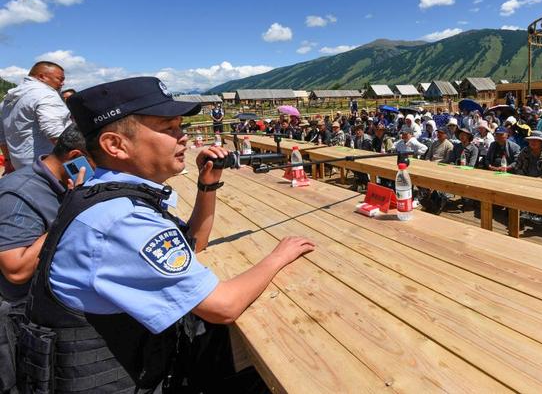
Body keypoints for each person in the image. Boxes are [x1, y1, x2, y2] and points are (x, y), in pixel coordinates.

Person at [19, 77, 316, 392]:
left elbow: (192, 246)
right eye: (168, 128)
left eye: (180, 127)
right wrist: (278, 256)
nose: (183, 138)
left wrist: (207, 184)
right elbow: (223, 307)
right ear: (115, 145)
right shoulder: (123, 220)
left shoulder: (100, 190)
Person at [0, 125, 90, 393]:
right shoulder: (19, 192)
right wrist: (72, 208)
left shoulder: (67, 185)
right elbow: (16, 269)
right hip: (14, 322)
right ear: (76, 157)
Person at [0, 61, 71, 171]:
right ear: (42, 77)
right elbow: (57, 134)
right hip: (46, 168)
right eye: (60, 79)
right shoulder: (46, 95)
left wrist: (8, 160)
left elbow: (2, 136)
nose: (63, 83)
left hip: (19, 166)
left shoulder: (8, 99)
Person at [513, 131, 542, 224]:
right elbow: (517, 166)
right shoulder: (524, 151)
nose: (533, 142)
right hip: (526, 180)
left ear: (541, 142)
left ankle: (540, 215)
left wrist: (540, 179)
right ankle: (522, 214)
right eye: (531, 140)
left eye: (536, 141)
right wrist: (523, 177)